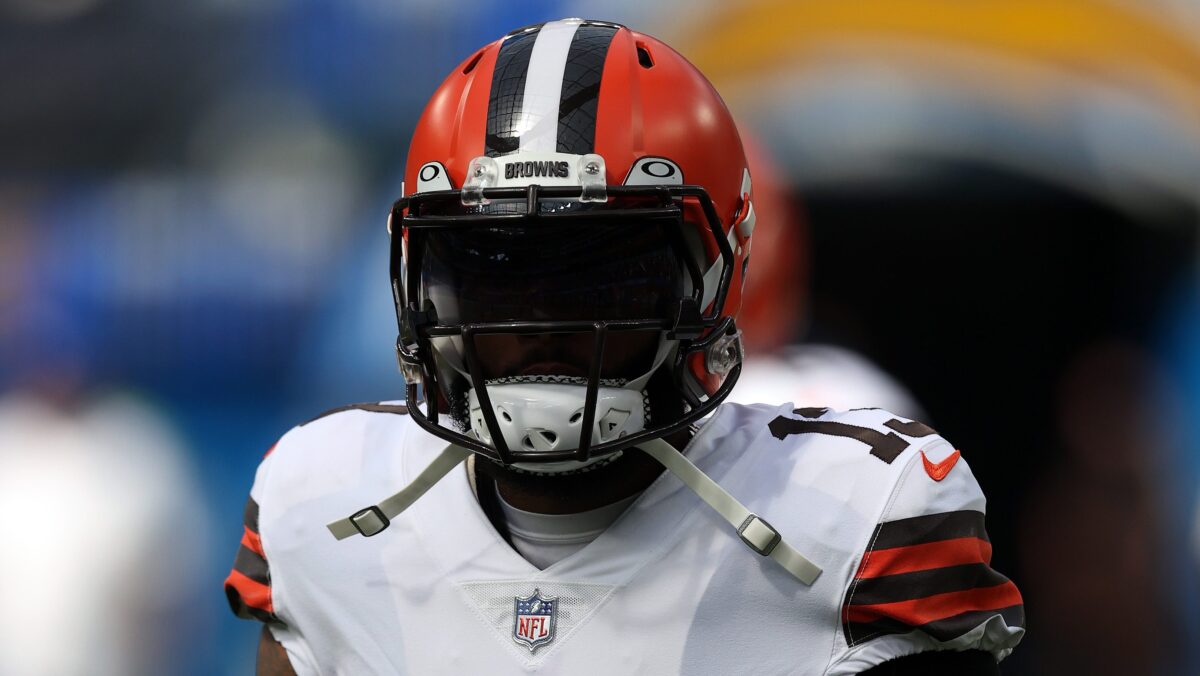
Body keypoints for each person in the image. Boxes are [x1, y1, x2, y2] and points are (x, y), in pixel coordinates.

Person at [225, 19, 1024, 675]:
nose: (541, 321)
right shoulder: (320, 503)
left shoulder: (855, 520)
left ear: (714, 276)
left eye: (601, 275)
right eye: (494, 271)